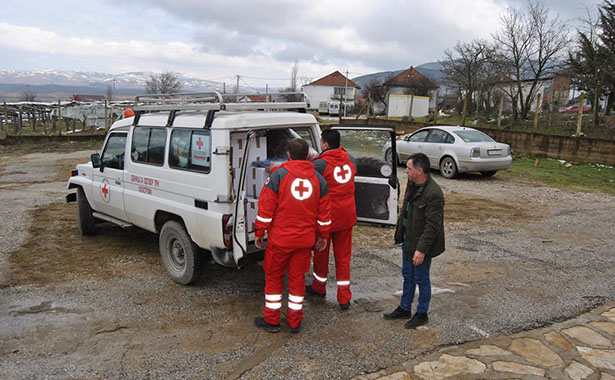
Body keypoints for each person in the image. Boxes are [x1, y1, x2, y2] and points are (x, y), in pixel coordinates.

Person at [253, 138, 331, 334]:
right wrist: (323, 236)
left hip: (280, 240)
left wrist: (260, 232)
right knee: (297, 280)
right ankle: (295, 322)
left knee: (274, 277)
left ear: (288, 155)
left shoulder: (278, 175)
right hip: (304, 241)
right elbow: (324, 215)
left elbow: (266, 209)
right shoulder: (319, 179)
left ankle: (272, 321)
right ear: (307, 155)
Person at [384, 153, 445, 328]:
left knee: (421, 278)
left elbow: (432, 227)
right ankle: (404, 307)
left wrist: (421, 250)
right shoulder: (413, 184)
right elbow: (407, 212)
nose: (406, 172)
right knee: (408, 275)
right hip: (408, 241)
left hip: (420, 246)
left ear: (419, 171)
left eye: (409, 169)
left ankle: (422, 313)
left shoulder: (434, 194)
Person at [307, 129, 357, 310]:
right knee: (343, 258)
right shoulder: (350, 159)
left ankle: (319, 287)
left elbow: (307, 177)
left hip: (328, 218)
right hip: (347, 216)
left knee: (321, 253)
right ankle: (344, 297)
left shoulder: (320, 164)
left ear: (325, 144)